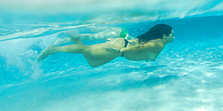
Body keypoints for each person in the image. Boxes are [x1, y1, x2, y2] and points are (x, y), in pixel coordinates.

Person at [36, 24, 174, 68]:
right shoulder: (159, 44)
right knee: (87, 50)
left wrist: (122, 49)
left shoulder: (157, 42)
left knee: (92, 63)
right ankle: (52, 49)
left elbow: (140, 46)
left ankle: (74, 36)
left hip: (120, 51)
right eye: (172, 34)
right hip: (120, 49)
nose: (173, 36)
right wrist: (121, 49)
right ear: (164, 35)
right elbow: (139, 48)